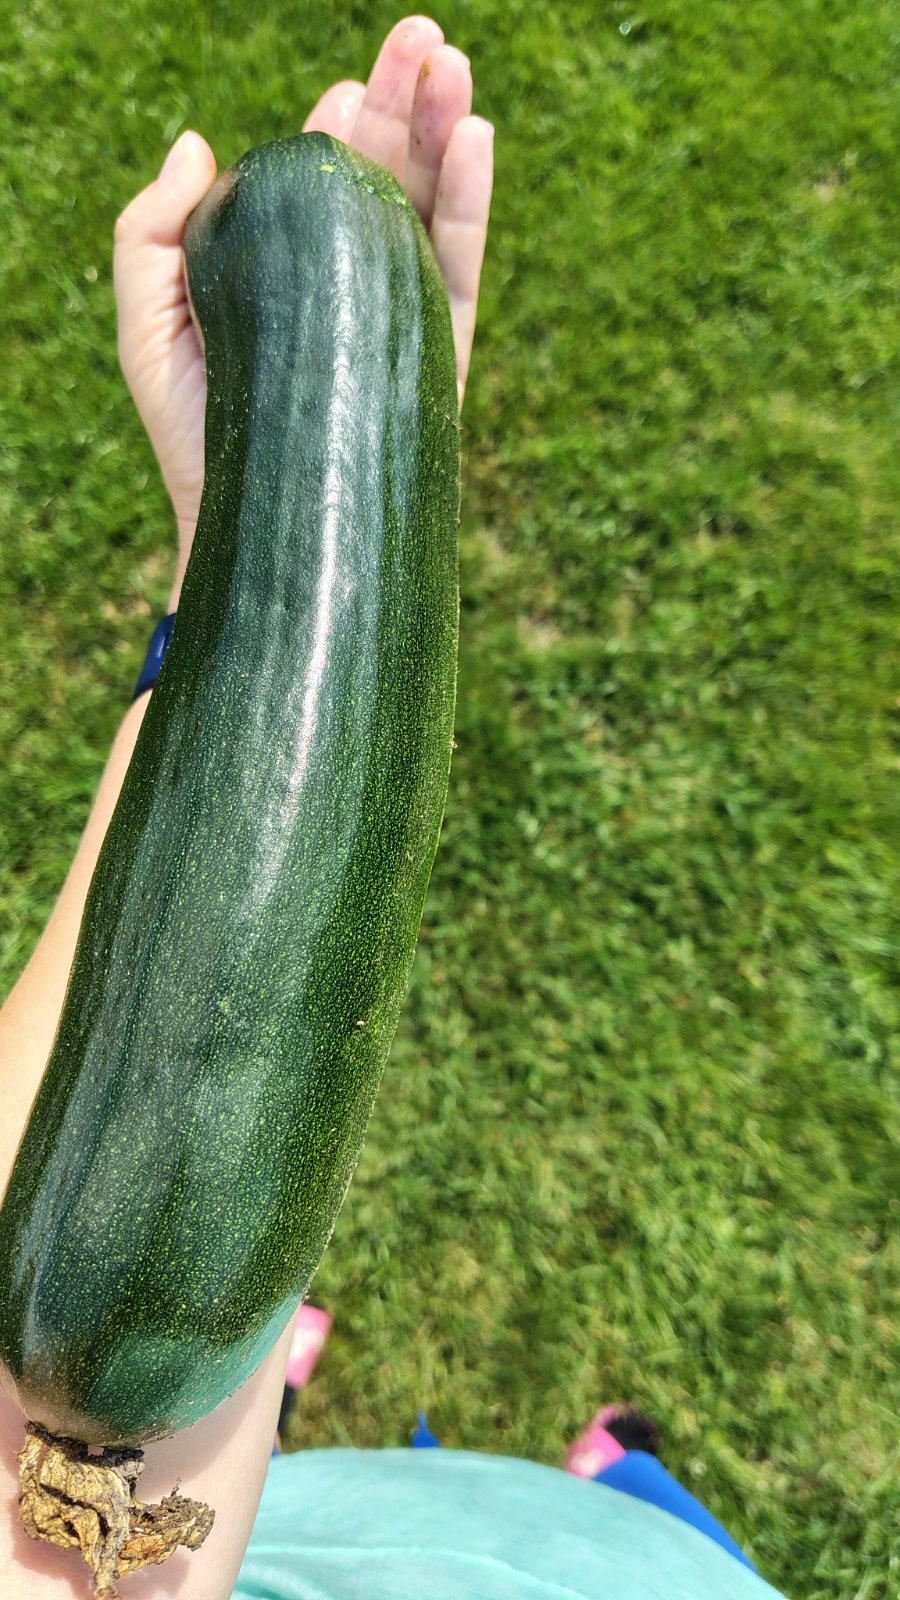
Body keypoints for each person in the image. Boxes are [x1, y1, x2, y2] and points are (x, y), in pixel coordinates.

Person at [0, 17, 788, 1599]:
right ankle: (612, 1482)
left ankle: (282, 1383)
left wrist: (238, 548)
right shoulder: (74, 1341)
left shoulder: (75, 1340)